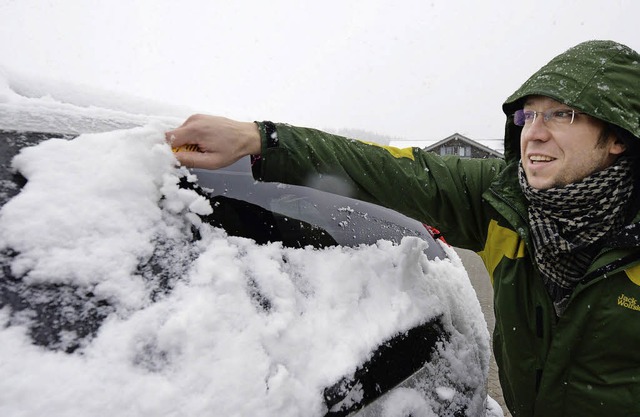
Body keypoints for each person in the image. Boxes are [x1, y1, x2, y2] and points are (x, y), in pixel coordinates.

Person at [166, 40, 640, 417]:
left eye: (562, 114)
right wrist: (260, 138)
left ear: (618, 134)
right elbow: (387, 170)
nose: (534, 131)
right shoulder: (505, 202)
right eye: (528, 114)